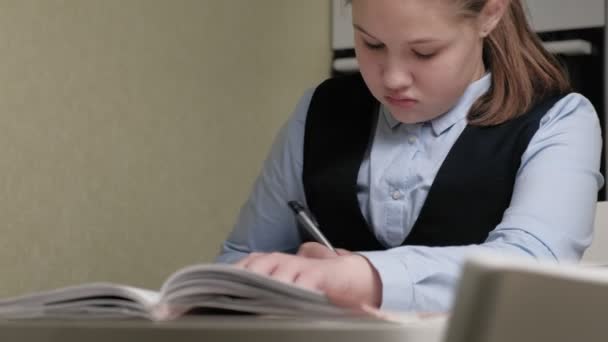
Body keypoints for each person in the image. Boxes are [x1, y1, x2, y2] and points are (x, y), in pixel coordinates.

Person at [215, 0, 604, 312]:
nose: (393, 78)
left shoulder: (561, 120)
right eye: (371, 44)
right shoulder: (319, 111)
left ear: (490, 13)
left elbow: (532, 269)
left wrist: (365, 278)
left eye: (424, 52)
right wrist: (288, 278)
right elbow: (239, 260)